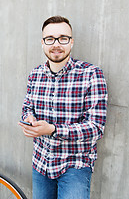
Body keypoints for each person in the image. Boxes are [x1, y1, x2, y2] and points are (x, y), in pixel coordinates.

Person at [19, 16, 108, 199]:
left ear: (71, 42)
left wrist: (52, 130)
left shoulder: (91, 74)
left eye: (63, 38)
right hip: (41, 161)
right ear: (43, 43)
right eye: (50, 39)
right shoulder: (35, 75)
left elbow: (96, 128)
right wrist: (29, 120)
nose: (56, 44)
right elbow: (27, 107)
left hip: (75, 164)